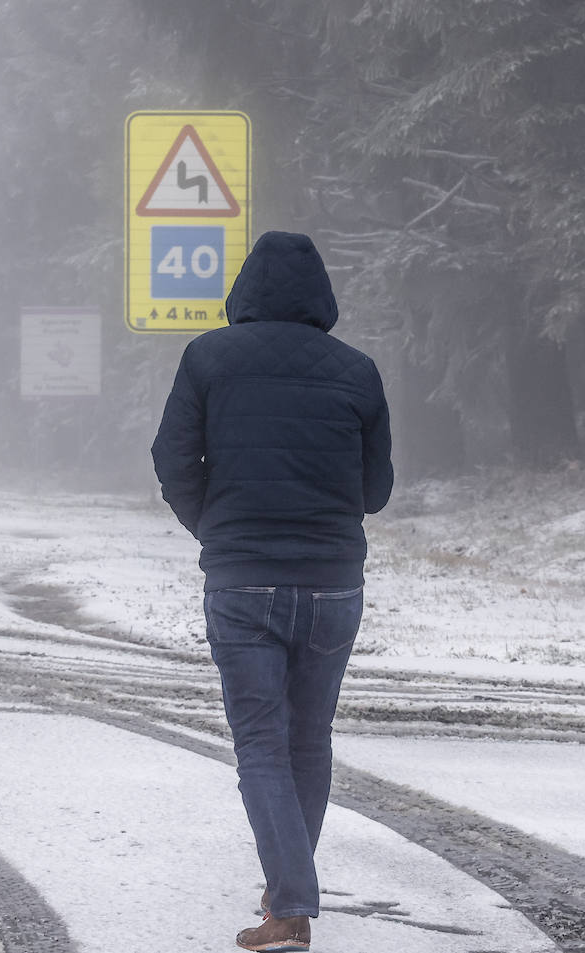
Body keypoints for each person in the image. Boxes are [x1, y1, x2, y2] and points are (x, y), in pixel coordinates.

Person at [151, 230, 394, 952]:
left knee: (261, 743)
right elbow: (375, 491)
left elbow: (171, 457)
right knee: (308, 738)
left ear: (244, 291)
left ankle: (289, 907)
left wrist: (214, 527)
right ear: (321, 297)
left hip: (241, 579)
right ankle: (287, 891)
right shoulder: (358, 371)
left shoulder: (208, 358)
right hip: (331, 585)